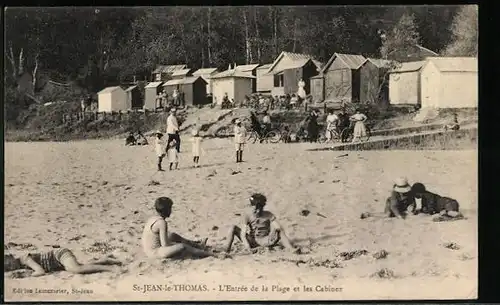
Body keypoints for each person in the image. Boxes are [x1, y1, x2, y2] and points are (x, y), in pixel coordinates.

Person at [141, 197, 226, 259]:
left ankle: (197, 244)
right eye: (170, 208)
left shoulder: (152, 219)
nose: (171, 211)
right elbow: (165, 245)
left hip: (148, 250)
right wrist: (175, 244)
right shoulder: (162, 222)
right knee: (183, 246)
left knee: (172, 235)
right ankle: (212, 255)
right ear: (166, 210)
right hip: (155, 253)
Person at [225, 193, 300, 254]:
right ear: (252, 206)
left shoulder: (268, 214)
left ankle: (291, 249)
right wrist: (248, 248)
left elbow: (278, 227)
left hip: (265, 240)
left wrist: (273, 232)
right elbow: (243, 234)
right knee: (233, 227)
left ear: (263, 207)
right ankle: (225, 250)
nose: (257, 211)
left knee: (279, 230)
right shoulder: (247, 215)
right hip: (252, 241)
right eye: (255, 209)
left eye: (259, 209)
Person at [4, 248, 122, 276]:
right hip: (59, 262)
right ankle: (106, 261)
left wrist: (27, 275)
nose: (11, 266)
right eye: (9, 267)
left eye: (9, 263)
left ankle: (111, 269)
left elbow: (40, 271)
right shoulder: (21, 265)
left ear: (11, 256)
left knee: (75, 269)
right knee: (83, 266)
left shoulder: (25, 259)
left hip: (59, 255)